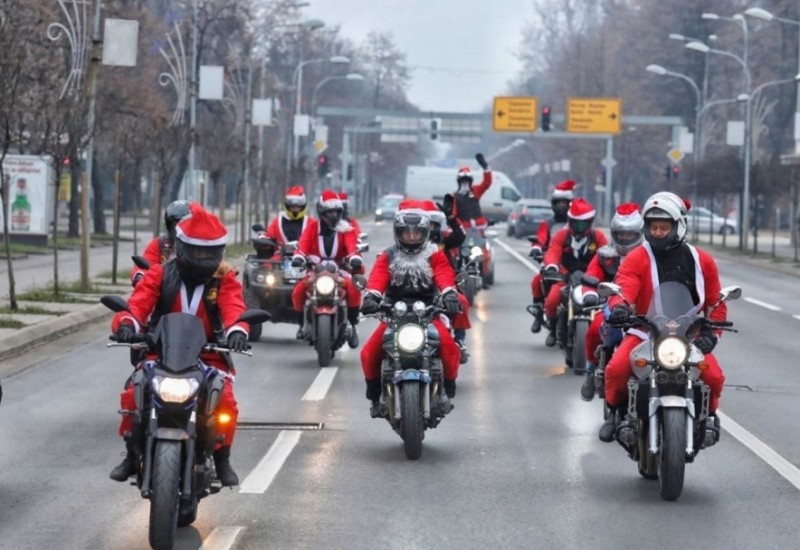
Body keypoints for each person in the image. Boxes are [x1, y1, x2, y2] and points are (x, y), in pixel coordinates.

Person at [110, 207, 249, 487]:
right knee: (132, 392)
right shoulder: (159, 274)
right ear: (182, 247)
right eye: (196, 251)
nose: (202, 258)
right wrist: (127, 324)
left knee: (227, 403)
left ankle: (223, 460)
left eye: (208, 253)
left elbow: (235, 308)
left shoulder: (225, 279)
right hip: (160, 352)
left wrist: (237, 332)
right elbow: (139, 304)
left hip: (210, 355)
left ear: (218, 252)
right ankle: (131, 451)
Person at [598, 191, 727, 443]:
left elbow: (715, 303)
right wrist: (620, 306)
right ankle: (614, 414)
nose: (657, 232)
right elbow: (624, 286)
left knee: (713, 376)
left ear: (679, 226)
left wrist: (712, 335)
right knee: (617, 368)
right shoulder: (637, 257)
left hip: (687, 335)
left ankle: (708, 419)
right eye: (653, 227)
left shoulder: (703, 261)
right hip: (645, 331)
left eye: (663, 227)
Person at [359, 206, 462, 417]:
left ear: (424, 233)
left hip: (429, 314)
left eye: (417, 232)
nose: (412, 237)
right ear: (398, 232)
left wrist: (449, 294)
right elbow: (378, 278)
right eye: (407, 232)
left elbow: (444, 275)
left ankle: (448, 389)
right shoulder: (388, 255)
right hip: (393, 315)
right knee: (368, 352)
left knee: (450, 348)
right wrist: (372, 297)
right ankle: (375, 396)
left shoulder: (435, 254)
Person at [577, 202, 644, 401]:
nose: (624, 239)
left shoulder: (649, 254)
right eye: (621, 234)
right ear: (614, 233)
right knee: (594, 328)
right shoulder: (605, 255)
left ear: (640, 233)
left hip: (645, 310)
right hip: (611, 308)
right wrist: (590, 293)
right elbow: (592, 275)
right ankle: (590, 370)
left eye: (629, 235)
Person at [290, 190, 363, 347]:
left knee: (353, 288)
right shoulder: (311, 228)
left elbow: (352, 248)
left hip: (339, 269)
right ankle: (301, 325)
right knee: (297, 291)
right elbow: (302, 245)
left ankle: (352, 324)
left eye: (336, 211)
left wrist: (355, 258)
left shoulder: (347, 229)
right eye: (329, 211)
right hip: (315, 270)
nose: (333, 215)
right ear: (322, 211)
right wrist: (299, 257)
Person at [541, 197, 608, 347]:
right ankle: (552, 329)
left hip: (590, 280)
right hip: (565, 277)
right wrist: (551, 265)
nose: (578, 227)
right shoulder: (561, 235)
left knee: (604, 305)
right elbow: (553, 251)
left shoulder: (598, 237)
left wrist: (609, 270)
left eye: (582, 224)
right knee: (552, 300)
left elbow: (607, 255)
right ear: (570, 222)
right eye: (575, 223)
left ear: (589, 223)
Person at [419, 198, 472, 363]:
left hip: (443, 286)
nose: (431, 229)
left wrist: (451, 218)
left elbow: (460, 236)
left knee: (461, 302)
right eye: (427, 225)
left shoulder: (444, 241)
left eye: (434, 225)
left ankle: (459, 339)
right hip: (414, 288)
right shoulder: (406, 244)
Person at [528, 180, 575, 333]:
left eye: (564, 203)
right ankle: (538, 315)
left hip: (571, 264)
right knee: (536, 282)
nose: (561, 207)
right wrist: (536, 248)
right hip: (550, 263)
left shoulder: (577, 223)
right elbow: (540, 238)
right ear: (553, 205)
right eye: (558, 203)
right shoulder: (547, 224)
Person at [131, 200, 194, 286]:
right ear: (170, 225)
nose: (180, 228)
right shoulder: (160, 243)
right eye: (176, 224)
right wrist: (140, 276)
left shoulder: (204, 245)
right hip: (165, 289)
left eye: (185, 224)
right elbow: (147, 262)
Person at [259, 185, 310, 255]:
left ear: (303, 206)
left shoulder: (310, 223)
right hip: (280, 260)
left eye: (298, 206)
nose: (295, 209)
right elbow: (268, 235)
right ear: (288, 206)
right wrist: (262, 239)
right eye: (292, 206)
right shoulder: (277, 222)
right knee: (267, 265)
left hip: (305, 260)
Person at [453, 153, 493, 230]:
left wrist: (486, 168)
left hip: (479, 229)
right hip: (463, 231)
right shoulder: (454, 197)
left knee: (486, 241)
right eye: (463, 181)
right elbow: (453, 214)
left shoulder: (475, 191)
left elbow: (487, 183)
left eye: (467, 181)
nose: (465, 183)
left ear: (470, 182)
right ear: (459, 182)